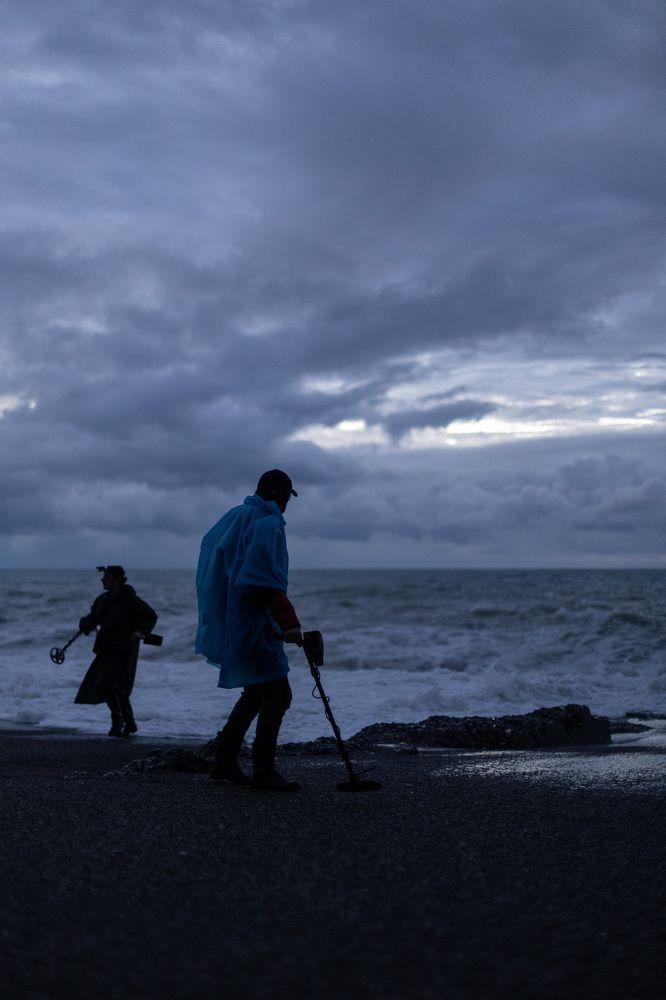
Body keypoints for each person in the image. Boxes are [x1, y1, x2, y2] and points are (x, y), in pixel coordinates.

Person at [195, 469, 303, 792]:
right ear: (277, 495)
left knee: (256, 692)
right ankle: (264, 769)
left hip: (236, 621)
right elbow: (262, 581)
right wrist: (289, 623)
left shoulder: (236, 516)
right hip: (257, 625)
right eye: (285, 497)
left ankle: (224, 760)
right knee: (279, 694)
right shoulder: (268, 525)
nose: (286, 505)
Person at [74, 566, 158, 738]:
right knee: (108, 686)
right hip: (105, 648)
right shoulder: (102, 600)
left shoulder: (131, 600)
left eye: (107, 577)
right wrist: (84, 625)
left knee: (115, 686)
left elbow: (150, 615)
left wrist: (140, 631)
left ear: (117, 579)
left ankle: (119, 721)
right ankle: (128, 722)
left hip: (125, 649)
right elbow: (93, 619)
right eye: (104, 576)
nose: (103, 580)